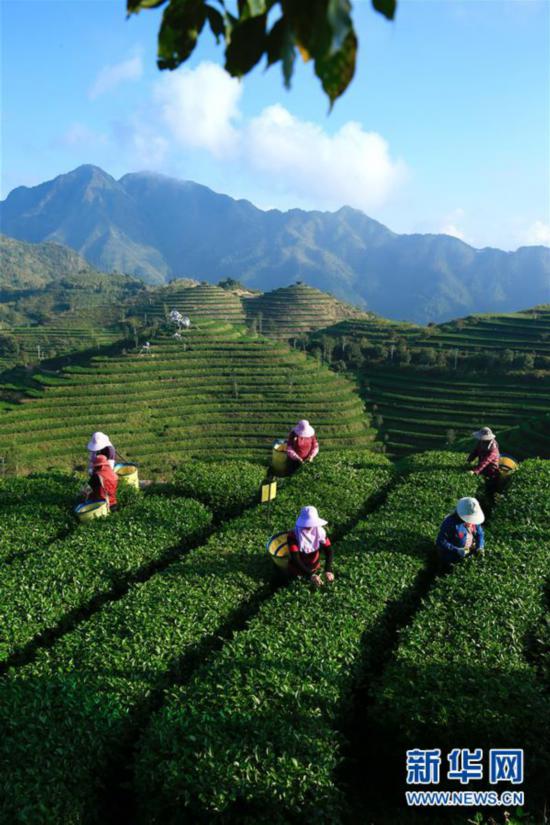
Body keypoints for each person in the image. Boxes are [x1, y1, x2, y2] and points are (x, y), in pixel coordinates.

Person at [287, 506, 333, 587]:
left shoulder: (320, 532)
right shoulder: (293, 536)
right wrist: (311, 575)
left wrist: (328, 570)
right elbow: (296, 559)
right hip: (298, 568)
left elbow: (329, 551)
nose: (309, 526)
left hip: (314, 565)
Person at [436, 497, 485, 570]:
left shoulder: (473, 521)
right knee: (449, 566)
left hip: (467, 548)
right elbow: (441, 541)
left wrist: (480, 547)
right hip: (452, 554)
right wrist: (457, 550)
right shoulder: (450, 523)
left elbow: (479, 533)